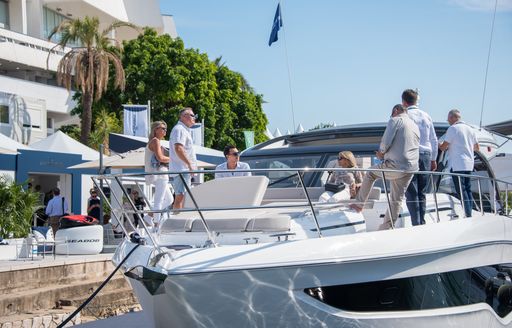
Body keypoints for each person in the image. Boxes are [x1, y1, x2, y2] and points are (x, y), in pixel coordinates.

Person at [350, 104, 420, 230]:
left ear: (395, 111)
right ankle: (387, 227)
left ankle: (359, 204)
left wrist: (381, 153)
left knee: (371, 173)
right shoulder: (414, 125)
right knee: (396, 198)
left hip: (395, 165)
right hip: (411, 168)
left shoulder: (395, 120)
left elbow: (386, 142)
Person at [402, 89, 438, 226]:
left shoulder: (404, 116)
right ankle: (421, 222)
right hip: (426, 155)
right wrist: (433, 159)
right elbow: (434, 139)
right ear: (416, 101)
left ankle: (416, 223)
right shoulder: (426, 116)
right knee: (422, 192)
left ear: (403, 102)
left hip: (411, 154)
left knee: (411, 191)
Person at [439, 109, 479, 218]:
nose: (448, 121)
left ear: (453, 118)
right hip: (469, 164)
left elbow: (443, 147)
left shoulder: (453, 129)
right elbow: (477, 148)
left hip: (457, 164)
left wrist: (438, 144)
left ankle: (467, 214)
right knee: (468, 189)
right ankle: (469, 212)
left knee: (461, 190)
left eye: (448, 119)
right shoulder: (470, 129)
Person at [145, 121, 173, 225]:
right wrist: (174, 159)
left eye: (165, 128)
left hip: (159, 173)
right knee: (159, 200)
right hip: (159, 173)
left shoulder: (156, 142)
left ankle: (149, 216)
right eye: (162, 128)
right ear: (155, 130)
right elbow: (160, 158)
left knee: (169, 199)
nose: (165, 130)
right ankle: (156, 225)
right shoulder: (155, 141)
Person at [169, 108, 197, 209]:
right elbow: (178, 148)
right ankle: (177, 221)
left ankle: (178, 219)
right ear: (184, 116)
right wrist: (189, 164)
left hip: (183, 169)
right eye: (193, 116)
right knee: (180, 196)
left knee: (182, 196)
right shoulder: (179, 129)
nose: (195, 118)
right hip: (182, 169)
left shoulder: (182, 129)